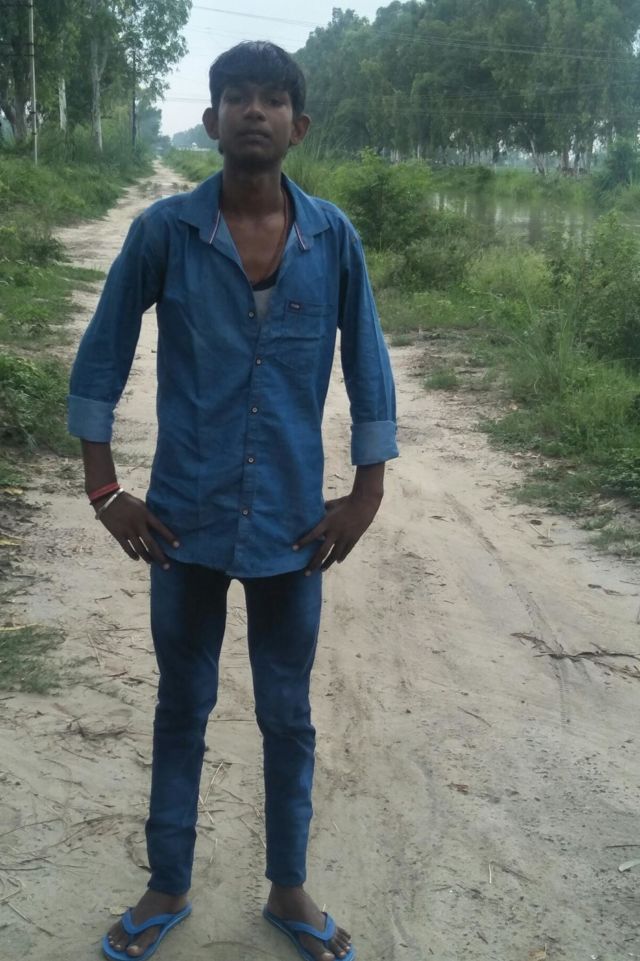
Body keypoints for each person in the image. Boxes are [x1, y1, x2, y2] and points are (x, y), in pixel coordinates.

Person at [68, 41, 398, 961]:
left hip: (294, 527)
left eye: (273, 98)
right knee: (183, 702)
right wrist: (105, 488)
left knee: (287, 712)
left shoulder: (333, 239)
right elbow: (102, 353)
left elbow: (368, 364)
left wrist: (366, 493)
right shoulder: (164, 233)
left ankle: (289, 888)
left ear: (300, 124)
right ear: (212, 120)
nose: (255, 110)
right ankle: (166, 883)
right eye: (237, 97)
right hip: (183, 521)